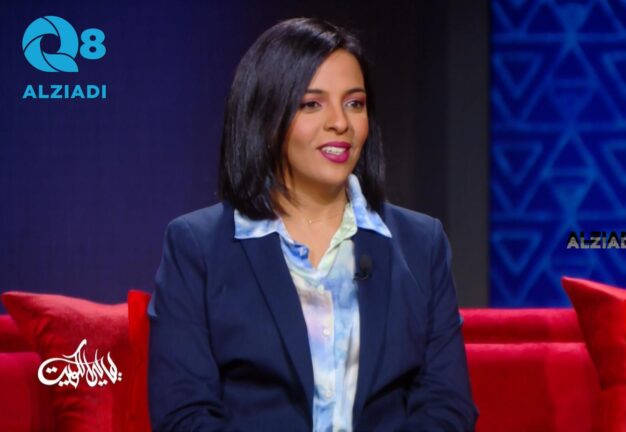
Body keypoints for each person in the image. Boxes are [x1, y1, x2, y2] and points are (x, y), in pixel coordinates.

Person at [147, 17, 477, 432]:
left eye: (354, 103)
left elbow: (447, 406)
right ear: (266, 117)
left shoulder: (421, 243)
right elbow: (183, 415)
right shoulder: (198, 247)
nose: (340, 123)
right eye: (311, 104)